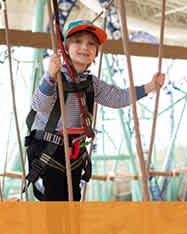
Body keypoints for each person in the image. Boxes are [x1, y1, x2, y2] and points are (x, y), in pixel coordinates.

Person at [24, 19, 165, 201]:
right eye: (78, 41)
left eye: (91, 44)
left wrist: (150, 86)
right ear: (66, 48)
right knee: (56, 204)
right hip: (49, 151)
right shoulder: (55, 76)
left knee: (72, 200)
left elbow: (118, 98)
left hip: (74, 152)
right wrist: (50, 75)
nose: (85, 47)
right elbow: (39, 105)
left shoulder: (91, 83)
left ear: (96, 53)